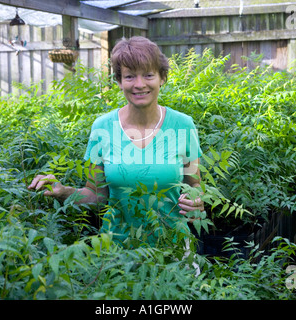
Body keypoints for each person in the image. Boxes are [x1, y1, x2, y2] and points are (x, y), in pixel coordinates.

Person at [28, 36, 204, 246]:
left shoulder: (183, 126)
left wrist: (197, 204)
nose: (139, 84)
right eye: (130, 76)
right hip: (117, 254)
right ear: (119, 81)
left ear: (162, 78)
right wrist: (64, 192)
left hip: (173, 250)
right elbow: (96, 194)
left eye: (148, 75)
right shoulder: (103, 128)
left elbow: (195, 185)